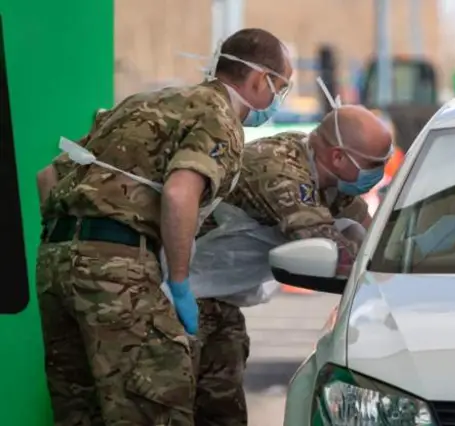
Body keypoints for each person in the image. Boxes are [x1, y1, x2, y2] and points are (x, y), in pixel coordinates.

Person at [35, 28, 292, 426]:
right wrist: (180, 281)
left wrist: (75, 248)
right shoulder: (219, 117)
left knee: (81, 412)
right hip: (119, 272)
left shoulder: (145, 102)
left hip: (55, 263)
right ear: (261, 80)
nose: (279, 99)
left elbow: (47, 176)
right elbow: (179, 193)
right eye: (282, 87)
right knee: (157, 403)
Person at [192, 105, 393, 426]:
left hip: (220, 299)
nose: (380, 173)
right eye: (374, 165)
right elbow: (338, 255)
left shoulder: (330, 178)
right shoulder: (281, 170)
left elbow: (372, 239)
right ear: (339, 157)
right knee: (165, 408)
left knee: (222, 409)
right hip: (174, 295)